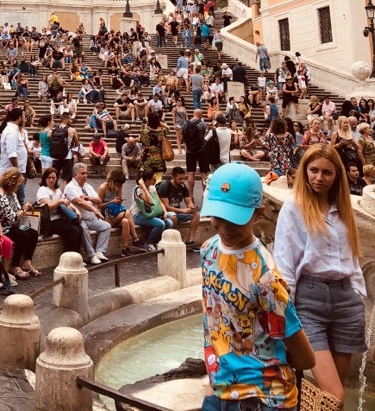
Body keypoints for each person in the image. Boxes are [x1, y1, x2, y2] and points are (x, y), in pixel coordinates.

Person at [201, 162, 315, 411]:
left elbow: (305, 357)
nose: (225, 226)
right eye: (218, 216)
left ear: (259, 213)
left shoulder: (266, 279)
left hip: (265, 399)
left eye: (235, 218)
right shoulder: (208, 250)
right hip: (221, 388)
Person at [274, 144, 366, 405]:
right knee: (333, 396)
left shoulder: (343, 206)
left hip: (346, 300)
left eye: (326, 172)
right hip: (309, 300)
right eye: (313, 170)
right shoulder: (294, 207)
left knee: (334, 399)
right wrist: (285, 311)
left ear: (337, 175)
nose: (319, 177)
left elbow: (352, 256)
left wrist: (358, 294)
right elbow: (284, 260)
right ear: (304, 171)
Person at [0, 168, 40, 279]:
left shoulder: (12, 194)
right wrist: (23, 211)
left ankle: (27, 261)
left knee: (33, 232)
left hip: (15, 224)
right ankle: (14, 265)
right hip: (5, 227)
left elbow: (18, 210)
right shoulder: (1, 197)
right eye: (18, 185)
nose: (19, 187)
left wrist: (24, 207)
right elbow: (11, 218)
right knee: (22, 235)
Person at [64, 162, 111, 265]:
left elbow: (99, 200)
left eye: (86, 173)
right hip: (80, 219)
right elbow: (79, 202)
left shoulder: (88, 186)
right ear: (75, 174)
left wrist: (89, 198)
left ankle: (100, 251)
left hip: (92, 218)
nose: (85, 175)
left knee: (106, 226)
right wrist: (94, 209)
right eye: (82, 173)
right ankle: (91, 255)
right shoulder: (70, 187)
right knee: (83, 229)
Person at [97, 169, 147, 257]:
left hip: (114, 214)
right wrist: (111, 202)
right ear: (114, 181)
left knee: (125, 222)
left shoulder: (118, 187)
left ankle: (125, 249)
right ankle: (136, 240)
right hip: (105, 217)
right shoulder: (103, 188)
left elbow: (119, 203)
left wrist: (119, 191)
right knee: (127, 213)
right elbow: (99, 206)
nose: (120, 185)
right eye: (119, 184)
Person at [35, 167, 83, 253]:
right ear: (45, 178)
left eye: (53, 178)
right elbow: (48, 207)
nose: (51, 180)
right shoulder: (42, 190)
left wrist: (76, 210)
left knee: (80, 228)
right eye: (49, 177)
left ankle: (76, 255)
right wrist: (59, 201)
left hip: (60, 219)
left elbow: (67, 202)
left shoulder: (57, 191)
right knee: (73, 230)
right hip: (50, 221)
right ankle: (69, 258)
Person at [157, 166, 201, 250]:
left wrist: (191, 206)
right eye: (180, 179)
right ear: (173, 177)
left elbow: (188, 201)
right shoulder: (165, 186)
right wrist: (182, 210)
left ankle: (190, 241)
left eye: (183, 179)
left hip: (178, 212)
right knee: (173, 216)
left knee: (196, 214)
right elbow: (166, 207)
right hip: (165, 213)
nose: (182, 181)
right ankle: (174, 241)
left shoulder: (183, 186)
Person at [131, 169, 174, 251]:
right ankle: (149, 243)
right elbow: (150, 202)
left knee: (169, 223)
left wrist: (165, 212)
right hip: (138, 215)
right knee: (160, 224)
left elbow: (159, 202)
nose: (155, 180)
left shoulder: (152, 188)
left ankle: (158, 241)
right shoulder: (139, 190)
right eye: (153, 179)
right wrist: (144, 187)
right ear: (147, 180)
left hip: (152, 213)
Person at [182, 108, 209, 199]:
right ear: (200, 115)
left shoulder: (186, 123)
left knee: (191, 173)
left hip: (189, 151)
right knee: (204, 173)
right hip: (201, 151)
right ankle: (205, 194)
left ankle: (190, 196)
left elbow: (183, 137)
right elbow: (206, 138)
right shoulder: (203, 124)